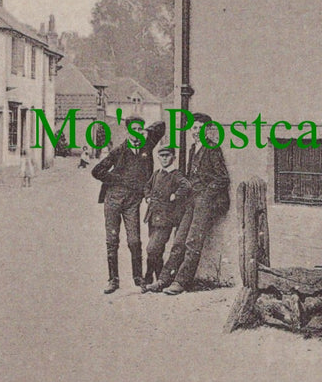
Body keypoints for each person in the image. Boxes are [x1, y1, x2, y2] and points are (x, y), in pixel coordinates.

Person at [153, 112, 231, 296]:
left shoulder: (213, 149)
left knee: (192, 241)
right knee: (179, 240)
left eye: (200, 128)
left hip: (206, 201)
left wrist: (205, 194)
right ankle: (164, 279)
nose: (196, 131)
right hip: (191, 200)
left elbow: (222, 178)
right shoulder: (191, 149)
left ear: (207, 130)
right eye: (194, 128)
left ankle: (181, 281)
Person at [92, 117, 166, 294]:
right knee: (112, 240)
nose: (137, 132)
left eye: (139, 129)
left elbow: (161, 126)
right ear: (127, 131)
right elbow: (97, 171)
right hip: (113, 199)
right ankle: (113, 280)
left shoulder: (147, 146)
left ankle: (138, 278)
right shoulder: (119, 151)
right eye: (133, 129)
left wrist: (146, 131)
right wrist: (119, 179)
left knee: (134, 240)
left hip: (132, 201)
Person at [141, 146, 192, 291]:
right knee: (156, 249)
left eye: (167, 156)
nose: (164, 158)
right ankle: (158, 280)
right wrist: (148, 196)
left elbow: (186, 186)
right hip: (153, 216)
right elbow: (147, 186)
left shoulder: (175, 175)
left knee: (152, 249)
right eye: (161, 156)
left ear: (173, 158)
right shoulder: (157, 173)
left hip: (165, 218)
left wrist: (175, 195)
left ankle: (149, 277)